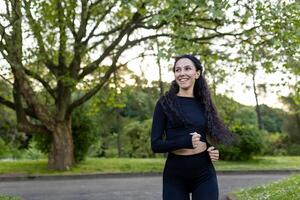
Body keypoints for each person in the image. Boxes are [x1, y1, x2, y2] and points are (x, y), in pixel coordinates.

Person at [151, 54, 234, 200]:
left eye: (187, 68)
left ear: (197, 73)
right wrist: (184, 142)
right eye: (178, 70)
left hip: (204, 173)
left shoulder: (204, 103)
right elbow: (156, 145)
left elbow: (201, 135)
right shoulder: (164, 103)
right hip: (175, 175)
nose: (182, 73)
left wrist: (210, 149)